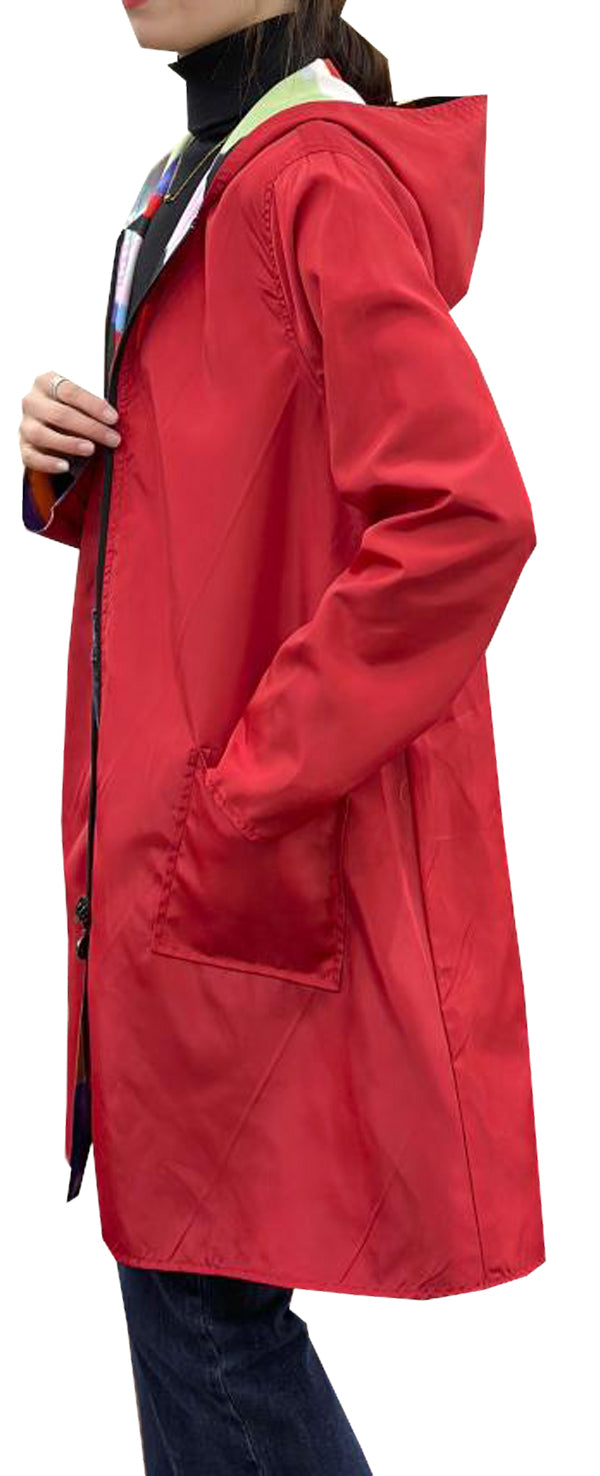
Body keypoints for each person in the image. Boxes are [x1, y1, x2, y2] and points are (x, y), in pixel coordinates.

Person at [18, 2, 545, 1471]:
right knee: (184, 1284)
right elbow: (248, 504)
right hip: (163, 867)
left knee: (200, 1307)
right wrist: (76, 470)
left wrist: (247, 788)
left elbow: (463, 520)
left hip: (229, 857)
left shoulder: (312, 182)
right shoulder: (188, 179)